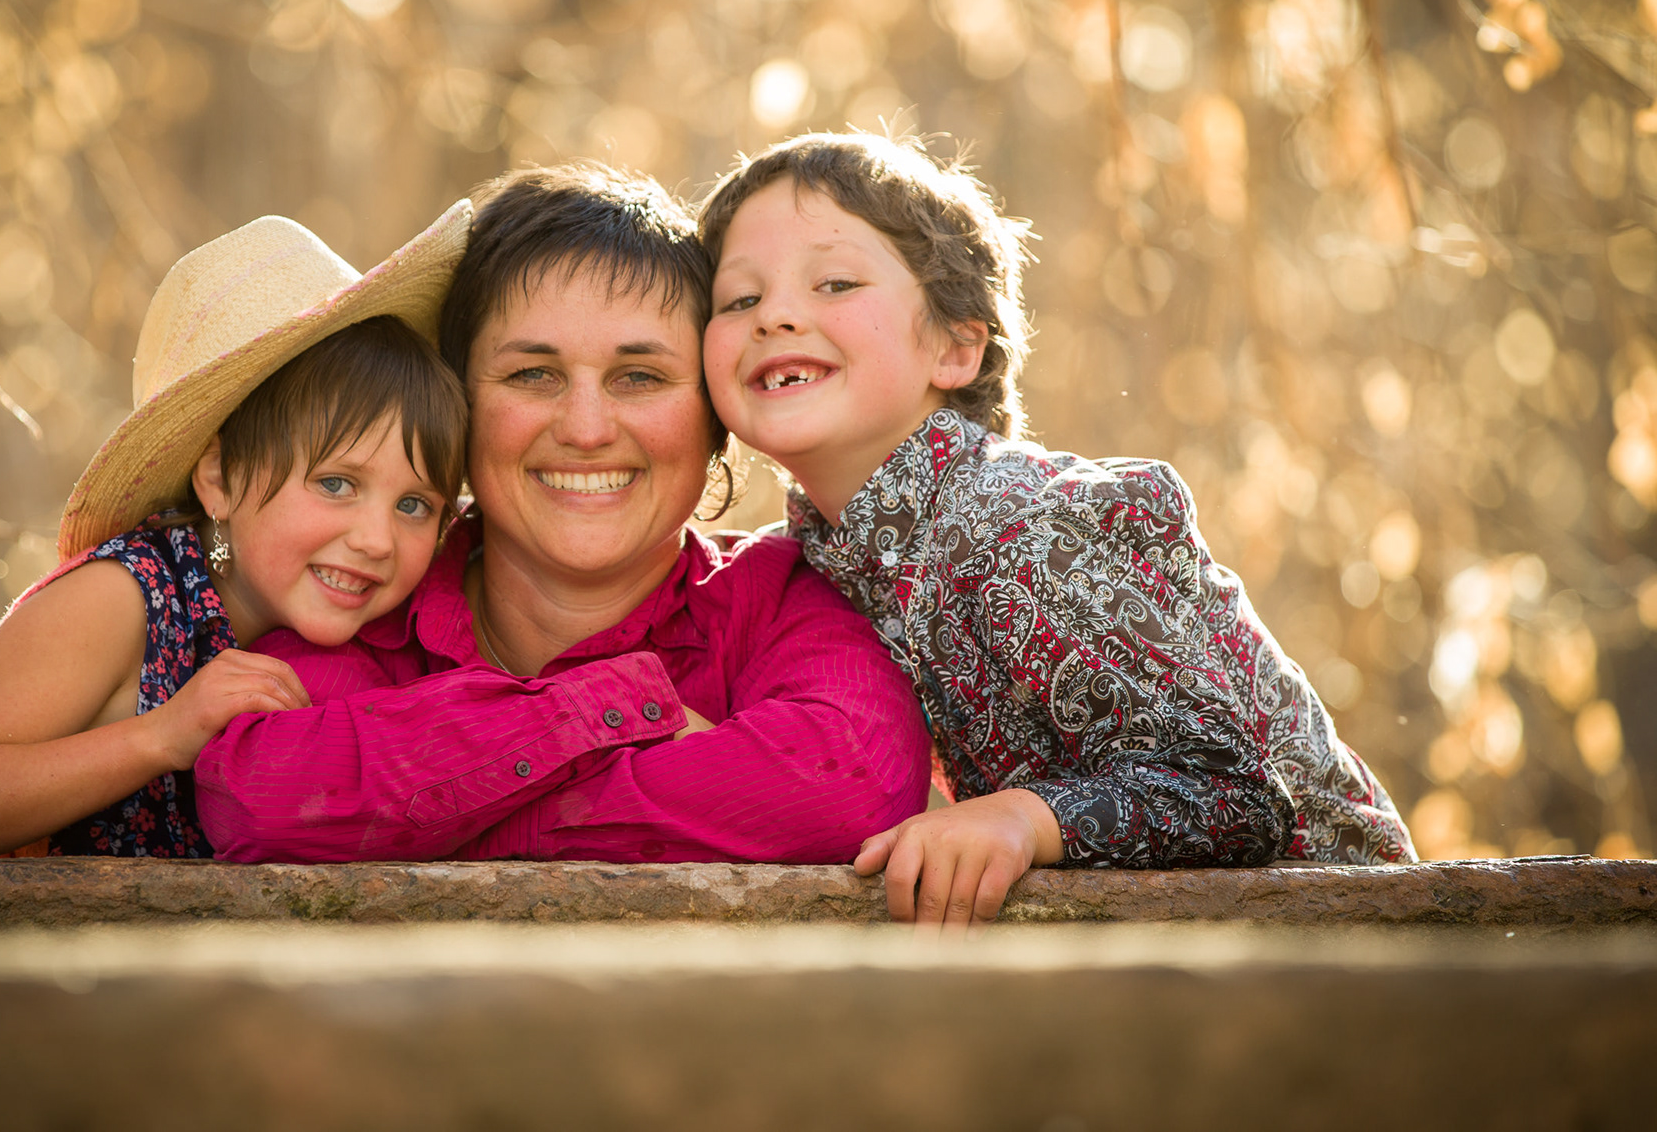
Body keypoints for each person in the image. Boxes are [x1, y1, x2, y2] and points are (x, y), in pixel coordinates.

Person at [699, 131, 1415, 928]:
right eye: (739, 300)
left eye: (834, 282)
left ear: (955, 345)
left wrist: (1022, 818)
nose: (778, 316)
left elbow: (1240, 793)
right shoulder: (816, 563)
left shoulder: (1029, 524)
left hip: (1350, 932)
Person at [193, 165, 930, 863]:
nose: (585, 428)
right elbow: (259, 796)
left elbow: (852, 785)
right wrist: (620, 705)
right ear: (461, 410)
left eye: (638, 376)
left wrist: (440, 816)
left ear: (713, 420)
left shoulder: (782, 601)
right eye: (532, 374)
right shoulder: (367, 597)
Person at [0, 210, 470, 861]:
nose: (378, 540)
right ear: (217, 478)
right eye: (336, 484)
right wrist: (163, 735)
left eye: (414, 504)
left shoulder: (359, 636)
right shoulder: (123, 599)